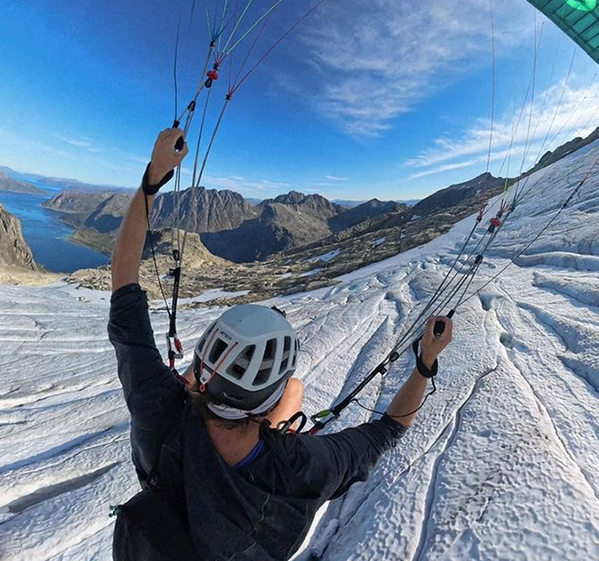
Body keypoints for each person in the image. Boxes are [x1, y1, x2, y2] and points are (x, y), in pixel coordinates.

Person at [109, 128, 454, 560]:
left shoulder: (157, 408)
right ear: (264, 407)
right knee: (297, 392)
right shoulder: (301, 468)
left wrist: (153, 178)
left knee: (293, 393)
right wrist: (425, 363)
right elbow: (389, 429)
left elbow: (124, 286)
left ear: (200, 370)